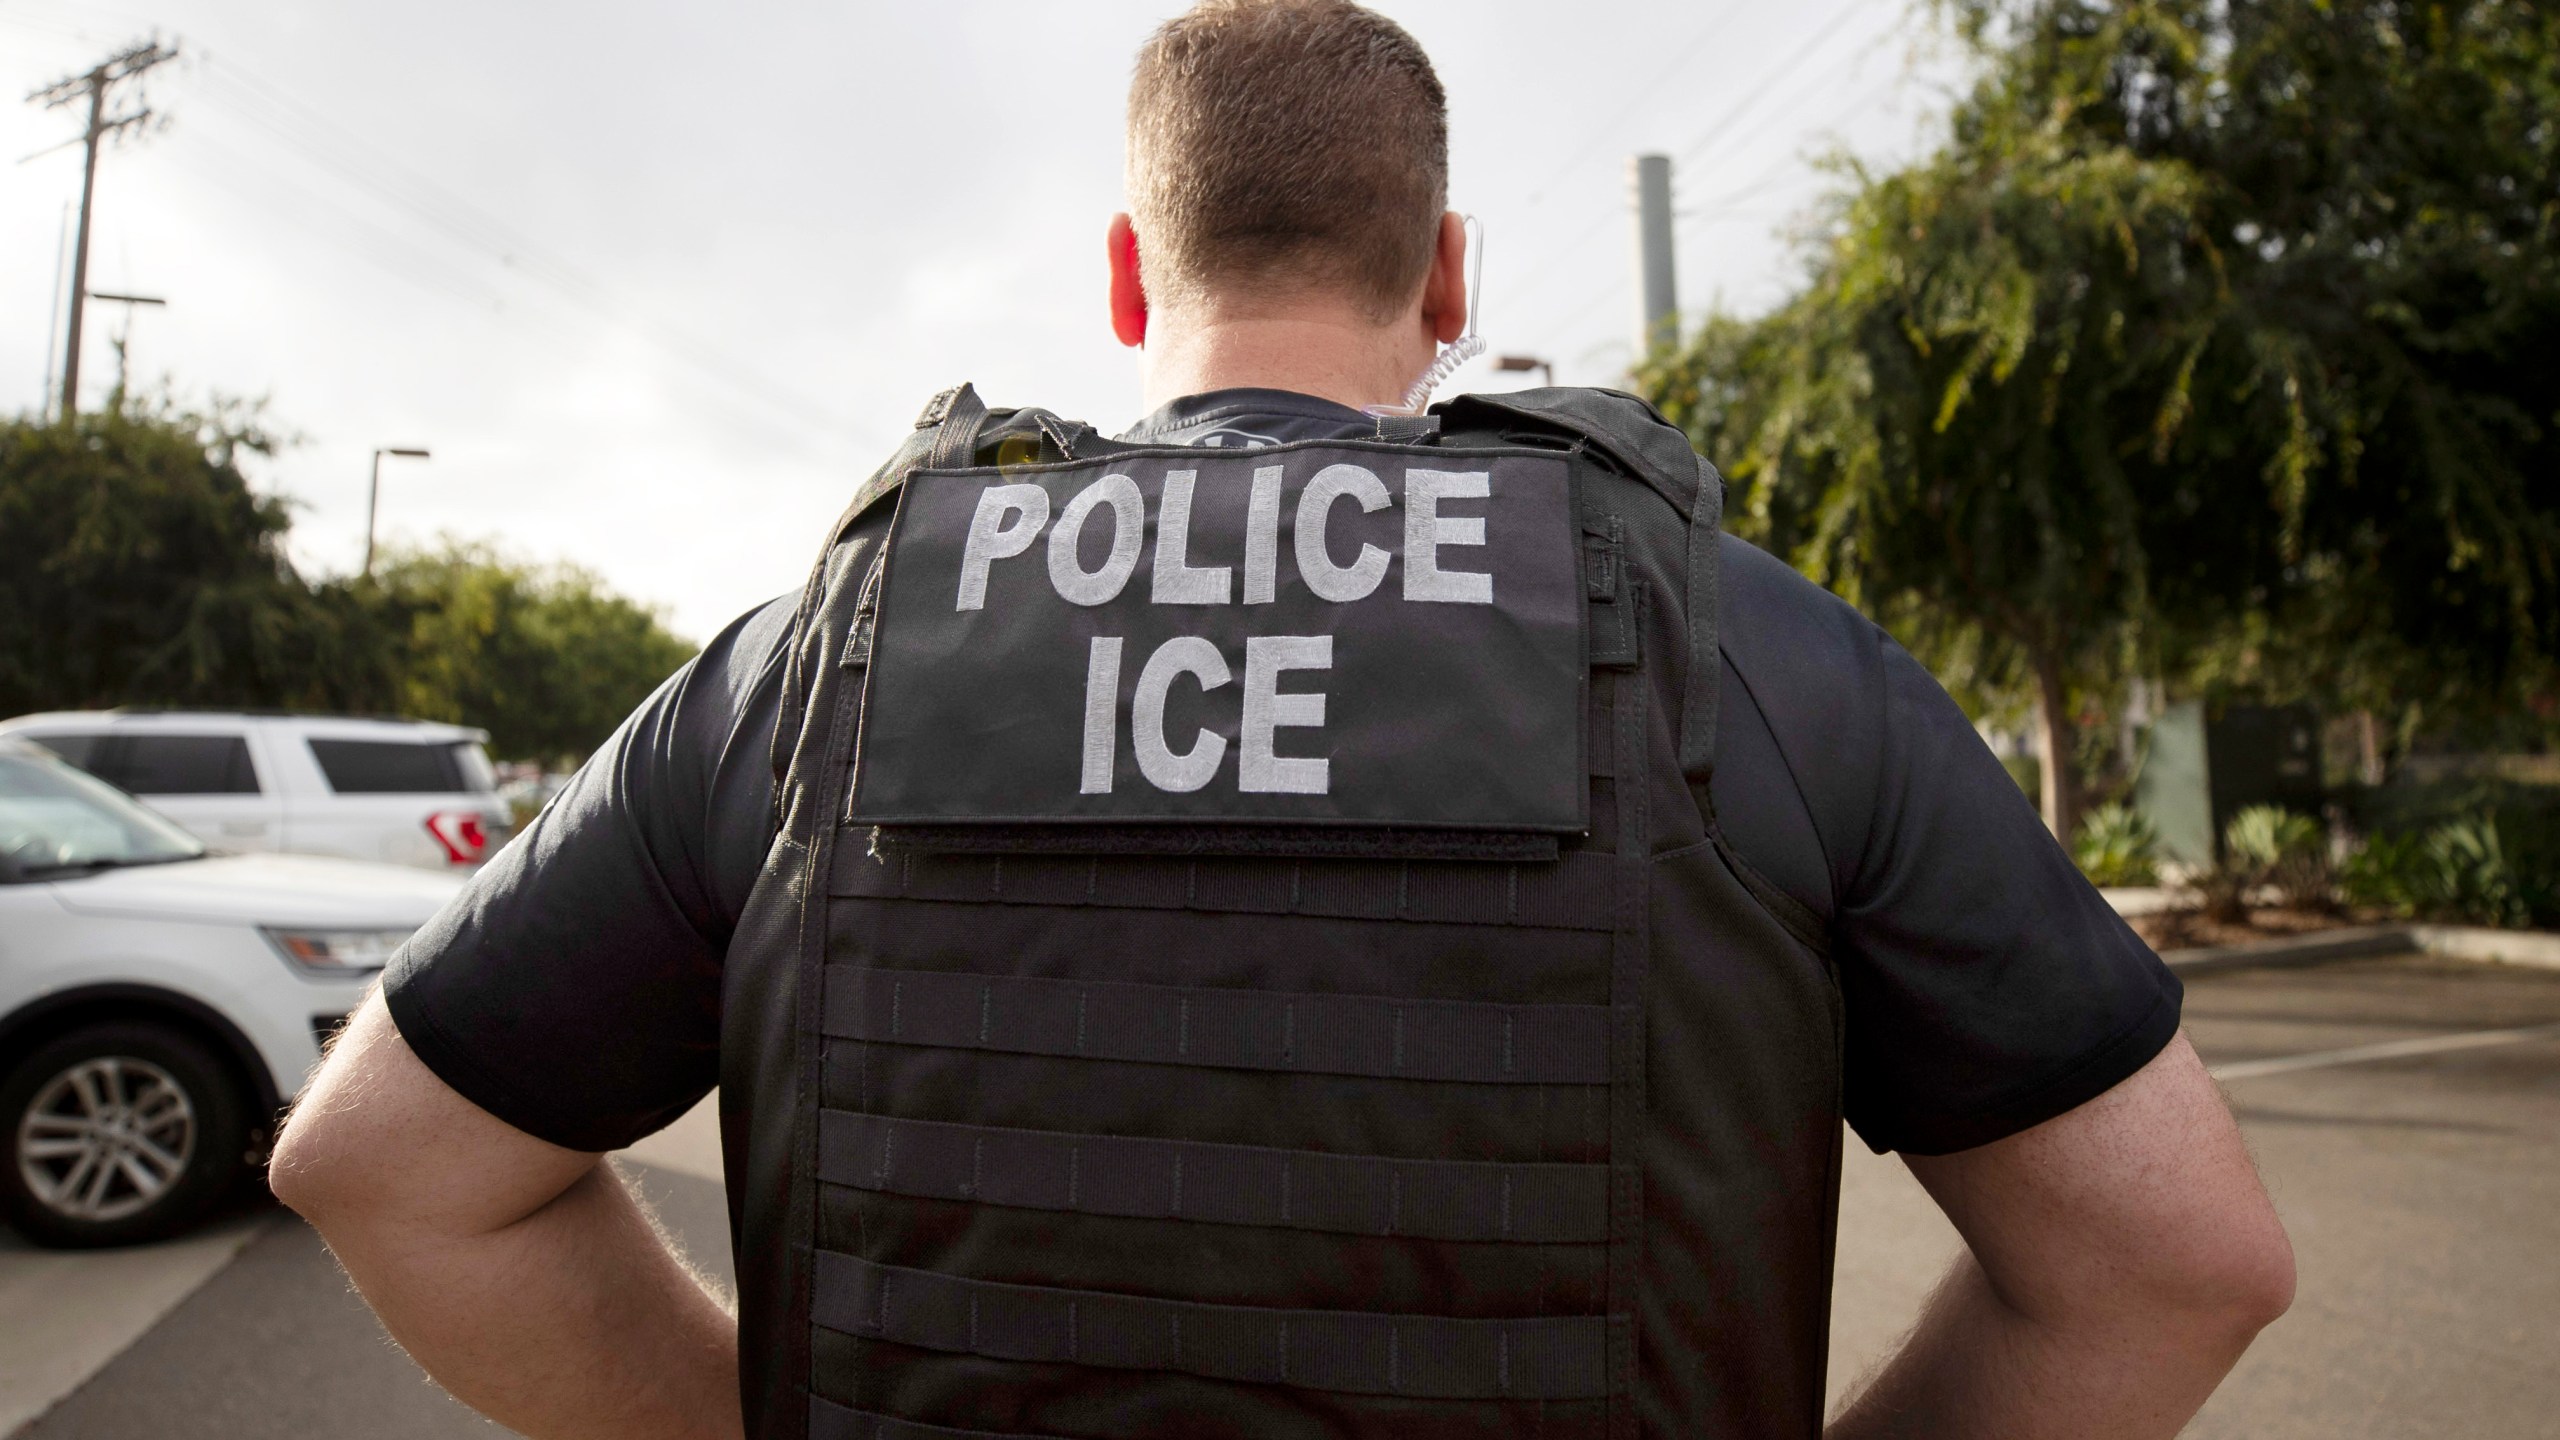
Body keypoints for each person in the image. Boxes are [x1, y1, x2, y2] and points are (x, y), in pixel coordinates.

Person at [272, 3, 2294, 1438]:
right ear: (1447, 273)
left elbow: (388, 1167)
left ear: (1129, 276)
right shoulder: (1748, 648)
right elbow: (2173, 1264)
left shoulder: (828, 652)